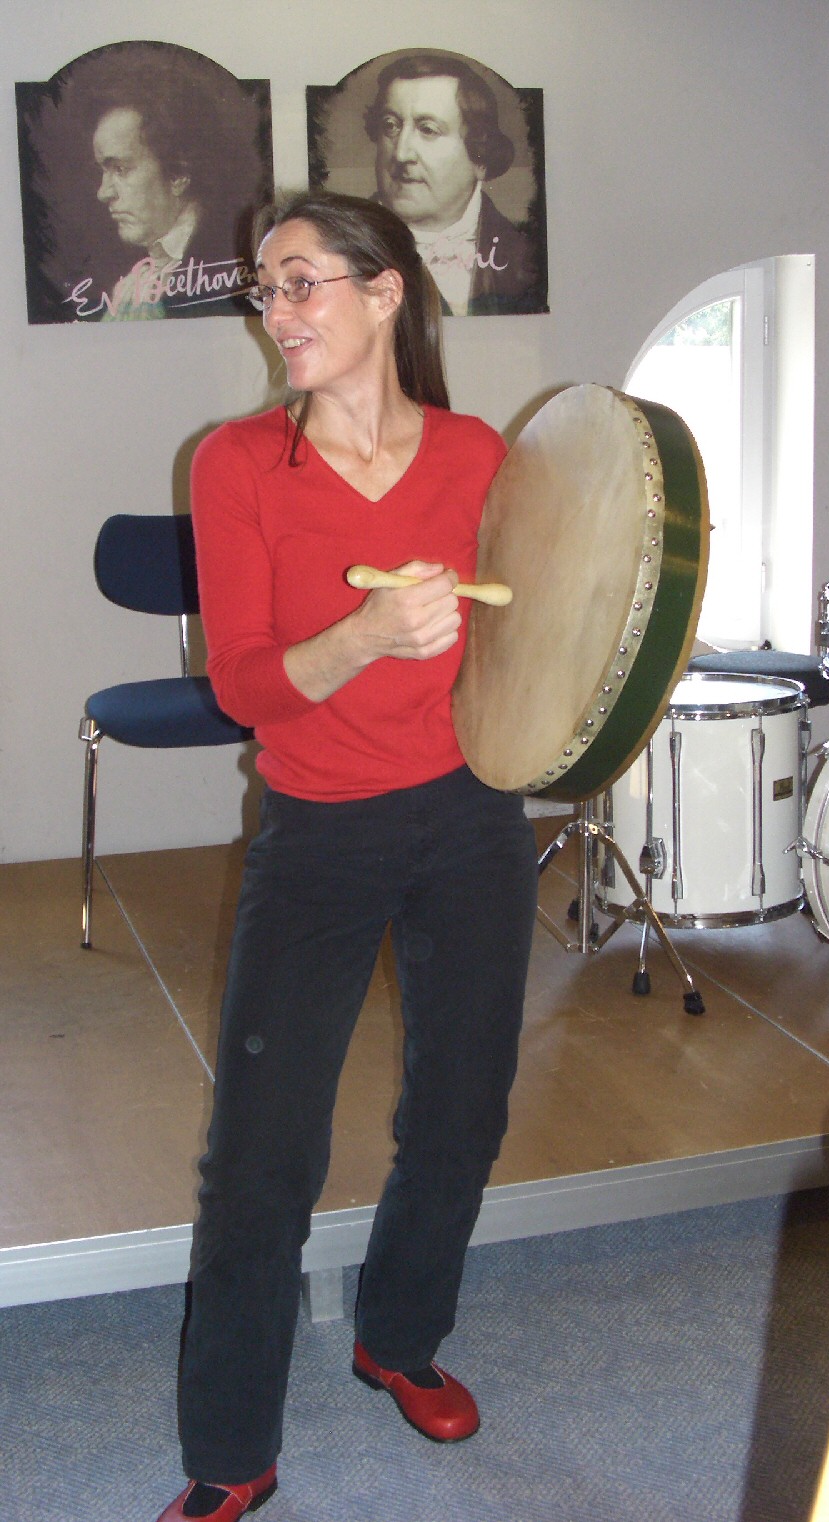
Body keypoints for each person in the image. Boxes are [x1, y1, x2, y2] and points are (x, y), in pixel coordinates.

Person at [154, 189, 538, 1522]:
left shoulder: (482, 455)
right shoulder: (237, 463)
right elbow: (247, 686)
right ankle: (231, 1446)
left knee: (463, 1105)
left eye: (304, 280)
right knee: (261, 1153)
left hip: (475, 816)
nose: (279, 310)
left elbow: (540, 636)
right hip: (318, 828)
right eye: (265, 288)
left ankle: (397, 1334)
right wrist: (370, 635)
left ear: (387, 296)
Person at [79, 46, 264, 319]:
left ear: (178, 174)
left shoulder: (232, 260)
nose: (103, 193)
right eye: (103, 171)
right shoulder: (136, 275)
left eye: (120, 168)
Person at [364, 53, 541, 316]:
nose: (401, 154)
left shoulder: (526, 258)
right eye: (391, 126)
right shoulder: (339, 251)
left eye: (428, 130)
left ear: (479, 157)